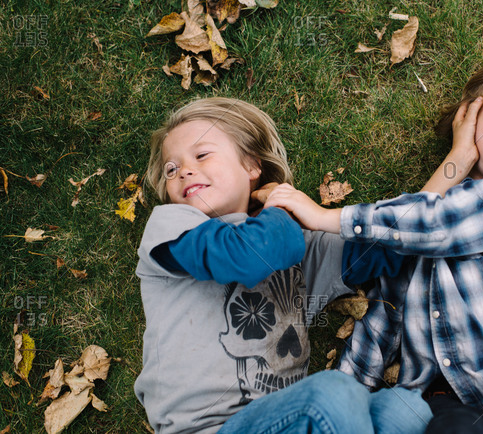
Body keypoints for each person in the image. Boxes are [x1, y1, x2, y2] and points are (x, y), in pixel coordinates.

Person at [264, 53, 483, 433]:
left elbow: (446, 223)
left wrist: (329, 218)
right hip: (447, 398)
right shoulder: (409, 224)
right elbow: (385, 315)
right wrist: (347, 390)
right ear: (468, 118)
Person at [133, 97, 432, 433]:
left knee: (408, 412)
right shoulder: (173, 229)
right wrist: (279, 205)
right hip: (204, 429)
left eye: (201, 155)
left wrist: (459, 163)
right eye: (171, 169)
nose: (184, 169)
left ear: (250, 166)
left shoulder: (299, 248)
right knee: (334, 394)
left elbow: (395, 242)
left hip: (284, 421)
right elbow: (247, 256)